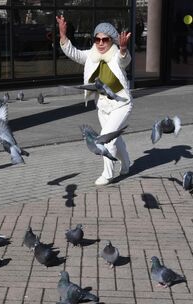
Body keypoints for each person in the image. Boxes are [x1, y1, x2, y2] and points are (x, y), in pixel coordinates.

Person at [56, 15, 132, 186]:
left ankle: (108, 174)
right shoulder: (91, 55)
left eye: (105, 39)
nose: (100, 43)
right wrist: (63, 35)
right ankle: (126, 164)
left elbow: (124, 60)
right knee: (115, 139)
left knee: (105, 139)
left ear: (112, 40)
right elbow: (73, 53)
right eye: (97, 39)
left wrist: (123, 48)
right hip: (103, 106)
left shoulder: (116, 56)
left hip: (121, 104)